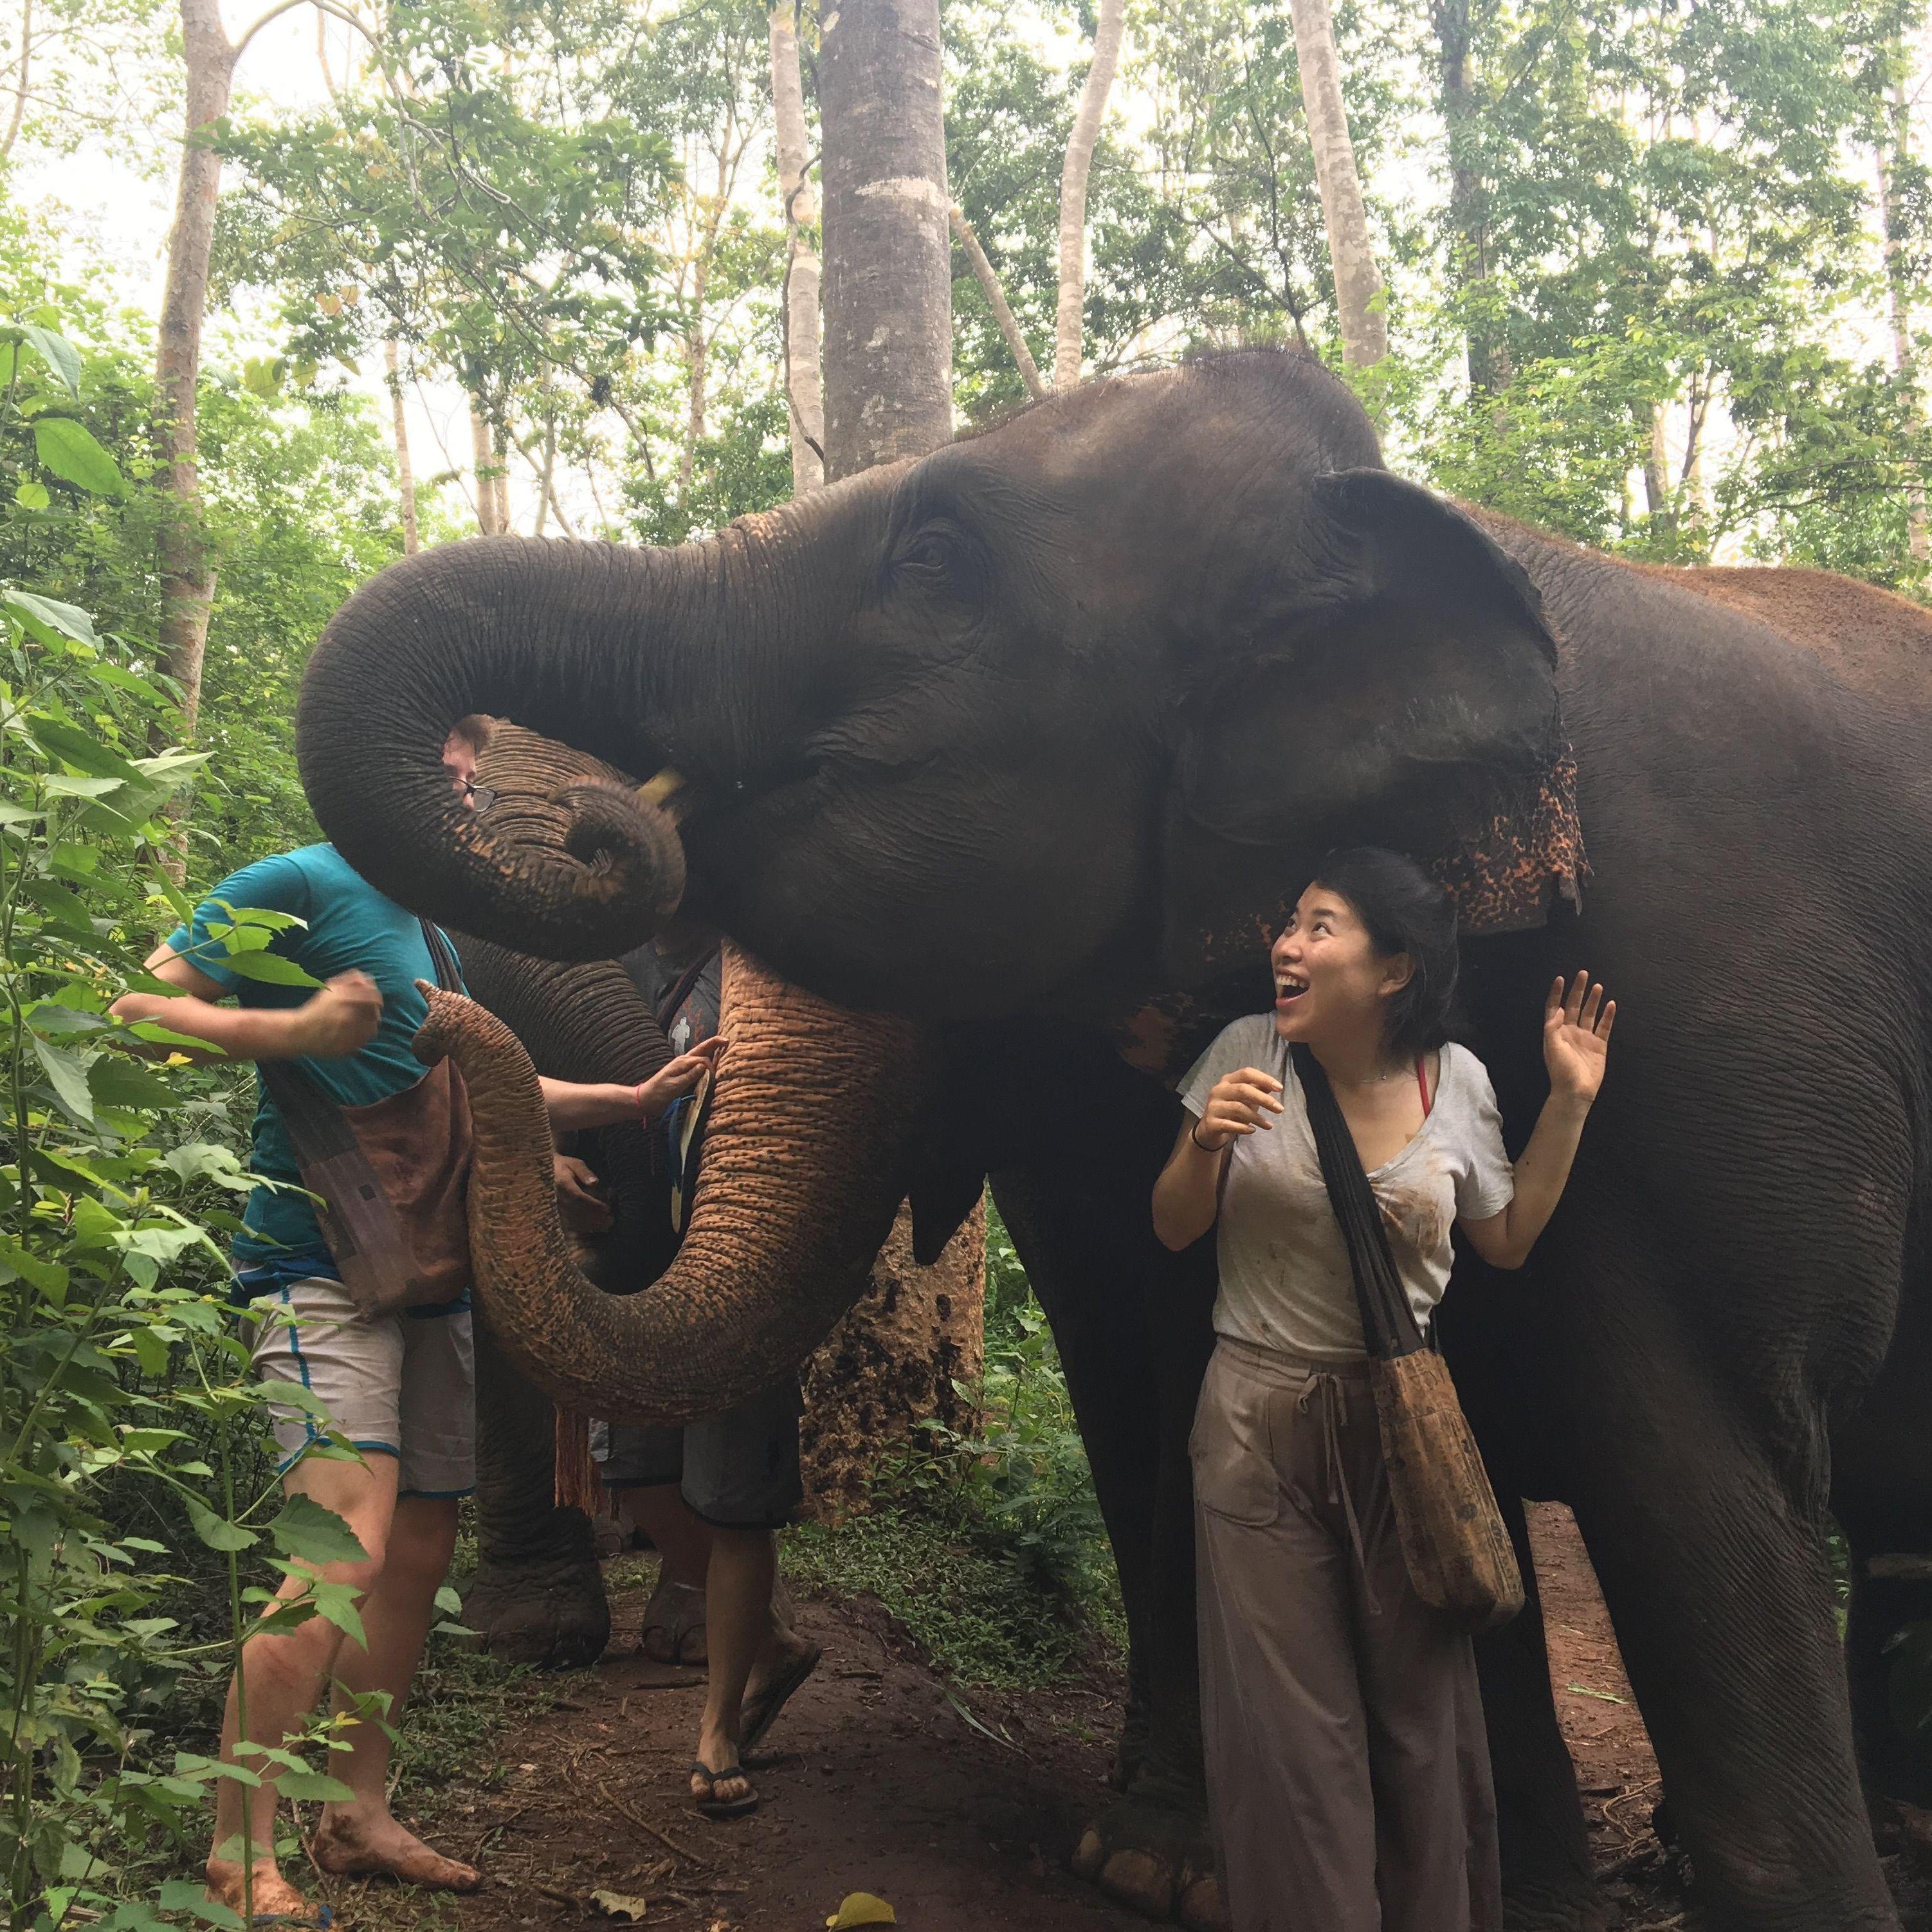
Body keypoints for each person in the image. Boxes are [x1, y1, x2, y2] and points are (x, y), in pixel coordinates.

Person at [111, 736, 713, 1926]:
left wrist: (629, 1100)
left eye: (469, 772)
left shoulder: (433, 931)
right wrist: (297, 1035)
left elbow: (477, 1084)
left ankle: (356, 1815)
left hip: (431, 1271)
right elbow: (142, 1003)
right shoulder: (295, 882)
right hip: (320, 1263)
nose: (464, 786)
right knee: (341, 1546)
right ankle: (239, 1846)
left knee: (420, 1550)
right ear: (371, 778)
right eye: (445, 768)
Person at [1151, 847, 1614, 1932]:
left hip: (1401, 1432)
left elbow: (1503, 1241)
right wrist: (1206, 1143)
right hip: (1256, 1424)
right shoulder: (1242, 1053)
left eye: (1319, 927)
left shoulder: (1452, 1080)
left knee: (1417, 1729)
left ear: (1393, 968)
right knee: (1296, 1743)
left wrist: (1571, 1102)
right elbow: (1174, 1226)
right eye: (1291, 924)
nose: (1287, 945)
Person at [587, 935, 821, 1819]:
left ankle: (718, 1727)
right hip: (650, 1262)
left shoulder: (772, 967)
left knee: (730, 1498)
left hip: (747, 1264)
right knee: (638, 1476)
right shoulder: (635, 966)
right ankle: (770, 1643)